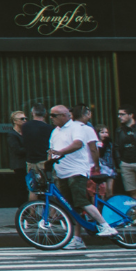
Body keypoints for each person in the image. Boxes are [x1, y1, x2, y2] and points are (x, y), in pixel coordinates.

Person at [45, 103, 106, 244]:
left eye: (54, 115)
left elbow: (91, 148)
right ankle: (77, 238)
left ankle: (104, 225)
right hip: (62, 172)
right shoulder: (55, 131)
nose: (51, 118)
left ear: (66, 115)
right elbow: (52, 150)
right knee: (72, 207)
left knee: (81, 201)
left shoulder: (81, 128)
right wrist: (48, 165)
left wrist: (96, 166)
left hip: (79, 170)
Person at [9, 110, 49, 202]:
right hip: (20, 165)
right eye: (22, 119)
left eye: (26, 118)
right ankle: (24, 209)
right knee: (23, 187)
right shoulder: (12, 135)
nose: (25, 120)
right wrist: (32, 148)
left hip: (30, 162)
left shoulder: (27, 132)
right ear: (14, 121)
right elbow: (16, 150)